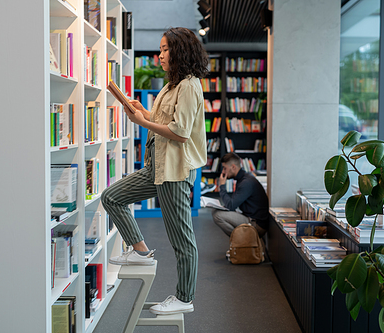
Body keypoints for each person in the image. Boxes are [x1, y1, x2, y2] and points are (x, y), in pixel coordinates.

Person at [101, 27, 208, 315]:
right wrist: (142, 112)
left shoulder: (189, 85)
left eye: (164, 49)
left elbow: (181, 132)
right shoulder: (171, 85)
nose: (159, 55)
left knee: (182, 240)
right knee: (111, 197)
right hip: (156, 167)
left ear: (180, 51)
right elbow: (164, 120)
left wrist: (142, 123)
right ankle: (141, 252)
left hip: (173, 172)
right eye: (160, 49)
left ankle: (184, 298)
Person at [212, 152, 269, 238]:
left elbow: (231, 205)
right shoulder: (244, 178)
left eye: (225, 168)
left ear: (233, 167)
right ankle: (241, 242)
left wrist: (222, 186)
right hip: (251, 217)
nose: (223, 172)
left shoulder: (246, 182)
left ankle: (240, 242)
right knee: (216, 211)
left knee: (217, 215)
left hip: (256, 224)